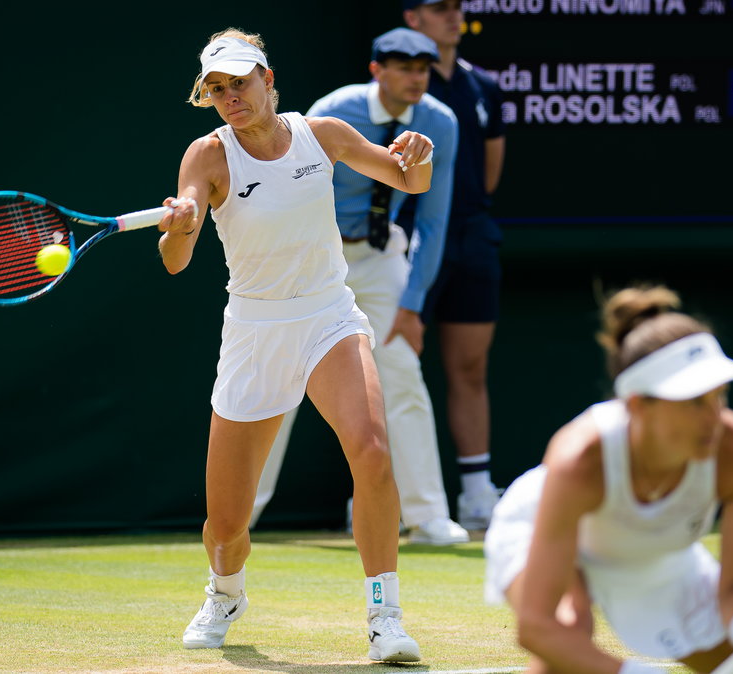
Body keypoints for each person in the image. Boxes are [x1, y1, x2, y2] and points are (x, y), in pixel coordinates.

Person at [158, 28, 437, 662]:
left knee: (371, 452)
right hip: (255, 332)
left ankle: (383, 618)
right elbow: (176, 261)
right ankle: (225, 591)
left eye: (240, 82)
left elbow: (409, 181)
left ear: (268, 78)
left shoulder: (324, 135)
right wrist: (180, 226)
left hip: (327, 316)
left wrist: (416, 155)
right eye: (218, 89)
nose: (232, 96)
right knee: (226, 526)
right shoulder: (207, 156)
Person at [483, 285, 733, 673]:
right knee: (568, 634)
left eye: (720, 395)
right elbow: (536, 628)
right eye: (695, 401)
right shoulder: (579, 461)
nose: (714, 419)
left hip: (655, 553)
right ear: (639, 405)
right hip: (550, 529)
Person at [248, 28, 468, 546]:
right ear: (377, 70)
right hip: (312, 257)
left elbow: (432, 219)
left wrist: (413, 304)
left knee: (403, 375)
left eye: (424, 69)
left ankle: (427, 514)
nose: (417, 78)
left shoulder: (439, 123)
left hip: (379, 255)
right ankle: (242, 516)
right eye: (404, 67)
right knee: (277, 381)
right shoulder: (334, 110)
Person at [403, 0, 507, 530]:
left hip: (471, 237)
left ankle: (475, 493)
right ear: (412, 18)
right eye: (438, 8)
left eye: (457, 8)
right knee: (397, 369)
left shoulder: (484, 87)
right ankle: (394, 495)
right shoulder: (403, 87)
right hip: (410, 242)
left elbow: (489, 169)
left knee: (470, 367)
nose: (452, 16)